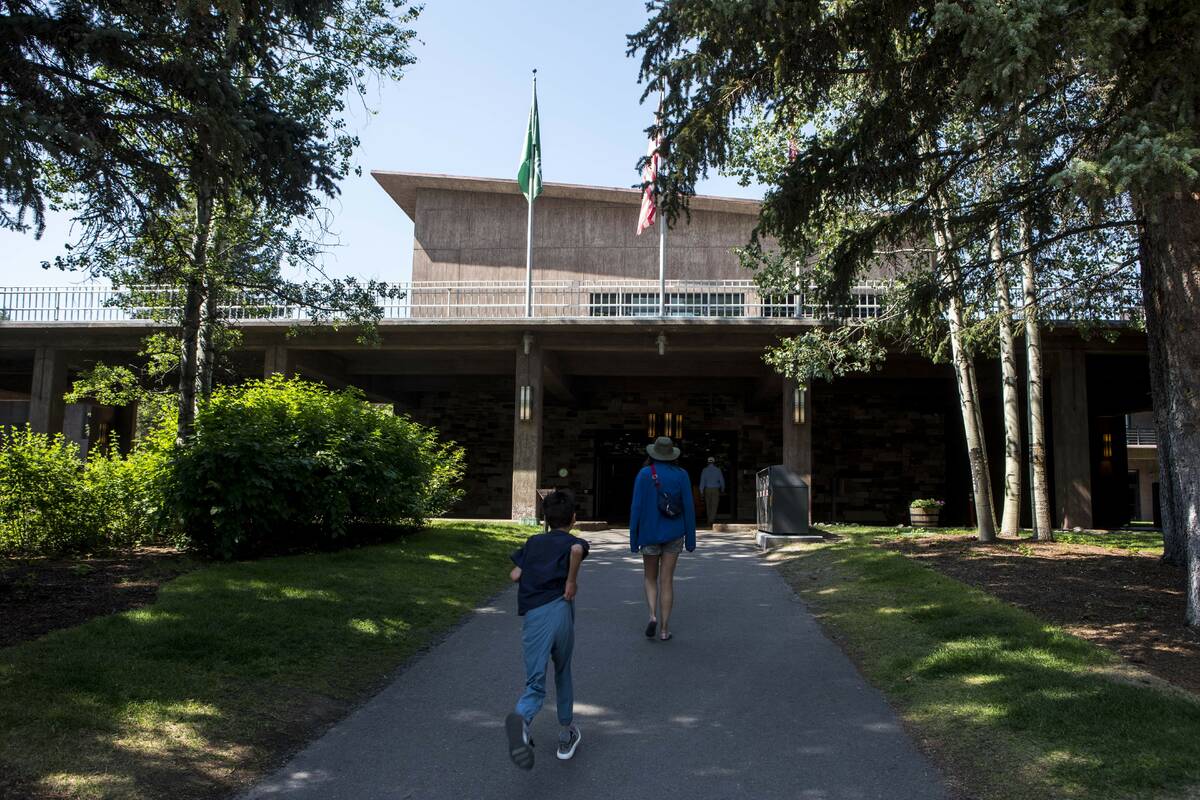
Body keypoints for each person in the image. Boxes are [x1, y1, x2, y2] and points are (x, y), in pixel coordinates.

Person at [505, 490, 589, 769]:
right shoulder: (572, 541)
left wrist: (530, 573)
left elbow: (515, 574)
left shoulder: (533, 542)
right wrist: (571, 580)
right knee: (562, 671)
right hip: (561, 612)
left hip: (534, 618)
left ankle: (523, 719)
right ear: (573, 519)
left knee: (535, 683)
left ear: (545, 518)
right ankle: (566, 734)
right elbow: (576, 550)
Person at [629, 436, 696, 642]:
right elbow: (688, 506)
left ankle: (652, 615)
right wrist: (691, 538)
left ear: (653, 453)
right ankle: (665, 629)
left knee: (650, 578)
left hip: (649, 533)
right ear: (672, 455)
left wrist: (634, 538)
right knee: (667, 580)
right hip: (674, 533)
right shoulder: (681, 475)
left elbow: (636, 508)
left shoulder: (643, 474)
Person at [699, 456, 725, 527]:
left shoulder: (704, 470)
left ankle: (709, 520)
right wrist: (722, 489)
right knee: (714, 505)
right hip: (715, 489)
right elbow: (722, 481)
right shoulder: (718, 470)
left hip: (707, 489)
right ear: (714, 462)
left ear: (708, 462)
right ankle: (711, 520)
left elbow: (702, 481)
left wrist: (701, 491)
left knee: (708, 505)